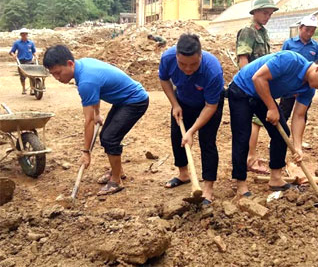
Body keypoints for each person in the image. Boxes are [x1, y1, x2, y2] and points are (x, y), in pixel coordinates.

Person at [228, 50, 318, 196]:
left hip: (261, 94)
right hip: (242, 88)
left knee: (281, 132)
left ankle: (276, 178)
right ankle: (241, 184)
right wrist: (272, 108)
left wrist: (297, 147)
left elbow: (299, 115)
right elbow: (258, 78)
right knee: (242, 136)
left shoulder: (308, 89)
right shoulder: (290, 60)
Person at [43, 45, 149, 195]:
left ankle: (116, 181)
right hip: (124, 100)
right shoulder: (82, 66)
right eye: (53, 74)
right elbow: (96, 96)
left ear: (70, 64)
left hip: (135, 101)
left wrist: (86, 152)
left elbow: (88, 121)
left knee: (110, 137)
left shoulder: (86, 81)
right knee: (106, 136)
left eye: (59, 73)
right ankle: (117, 171)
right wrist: (97, 113)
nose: (57, 78)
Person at [160, 34, 224, 205]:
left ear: (200, 56)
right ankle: (183, 174)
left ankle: (208, 187)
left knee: (207, 141)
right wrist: (174, 104)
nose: (188, 69)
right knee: (177, 136)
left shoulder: (213, 71)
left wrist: (192, 130)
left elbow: (210, 106)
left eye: (193, 64)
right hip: (182, 99)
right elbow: (164, 79)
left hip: (208, 104)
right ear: (176, 57)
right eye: (182, 64)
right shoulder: (167, 58)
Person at [236, 0, 278, 175]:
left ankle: (251, 156)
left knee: (257, 121)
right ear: (255, 12)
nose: (267, 16)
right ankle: (250, 158)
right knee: (255, 122)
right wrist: (249, 85)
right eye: (264, 13)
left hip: (261, 83)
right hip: (252, 84)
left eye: (269, 14)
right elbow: (243, 58)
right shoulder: (248, 31)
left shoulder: (263, 32)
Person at [280, 15, 318, 149]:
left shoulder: (316, 47)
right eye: (307, 30)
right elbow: (281, 62)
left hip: (306, 86)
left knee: (302, 113)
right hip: (289, 85)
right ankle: (279, 139)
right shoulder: (289, 43)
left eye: (312, 30)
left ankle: (298, 140)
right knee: (284, 112)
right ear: (300, 28)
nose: (309, 33)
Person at [9, 28, 37, 95]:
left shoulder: (31, 43)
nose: (24, 35)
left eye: (25, 34)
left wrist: (36, 56)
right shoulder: (17, 43)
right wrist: (14, 55)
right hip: (21, 61)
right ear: (21, 35)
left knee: (32, 75)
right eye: (23, 34)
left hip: (30, 61)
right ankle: (24, 89)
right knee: (22, 76)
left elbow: (34, 51)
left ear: (27, 35)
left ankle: (32, 89)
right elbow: (11, 51)